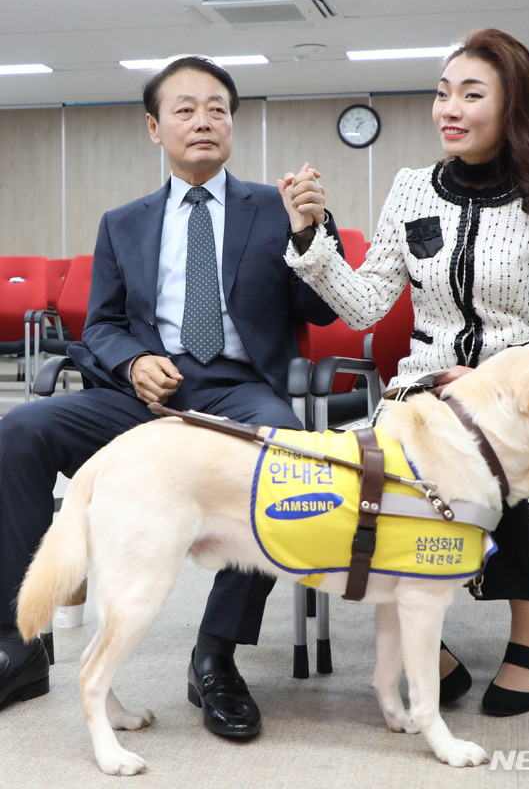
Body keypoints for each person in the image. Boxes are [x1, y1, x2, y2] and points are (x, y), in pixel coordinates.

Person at [0, 55, 339, 739]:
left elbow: (324, 310)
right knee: (20, 431)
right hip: (151, 393)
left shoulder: (277, 208)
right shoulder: (123, 222)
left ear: (233, 124)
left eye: (217, 107)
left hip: (242, 390)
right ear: (155, 128)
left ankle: (214, 653)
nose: (203, 120)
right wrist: (134, 364)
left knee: (286, 463)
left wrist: (310, 233)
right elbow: (99, 323)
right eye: (184, 109)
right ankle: (19, 640)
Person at [278, 28, 529, 716]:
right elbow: (365, 306)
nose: (448, 108)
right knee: (359, 474)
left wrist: (495, 381)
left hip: (521, 397)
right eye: (441, 92)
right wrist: (313, 237)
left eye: (470, 93)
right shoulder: (410, 190)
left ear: (512, 103)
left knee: (483, 446)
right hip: (419, 392)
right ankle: (428, 645)